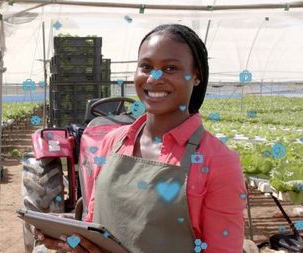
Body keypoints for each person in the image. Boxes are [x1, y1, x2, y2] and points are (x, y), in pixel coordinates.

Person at [36, 24, 247, 253]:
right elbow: (94, 222)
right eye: (146, 66)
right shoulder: (112, 142)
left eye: (170, 68)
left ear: (197, 76)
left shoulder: (218, 161)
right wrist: (74, 242)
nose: (154, 78)